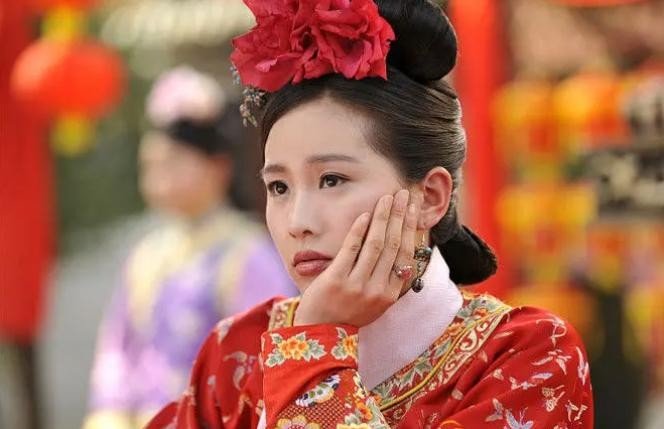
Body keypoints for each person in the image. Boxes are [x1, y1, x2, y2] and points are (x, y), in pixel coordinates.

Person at [146, 1, 594, 428]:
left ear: (430, 197)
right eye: (279, 187)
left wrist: (314, 343)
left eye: (332, 180)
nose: (298, 222)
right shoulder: (237, 353)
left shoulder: (528, 357)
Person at [83, 67, 296, 429]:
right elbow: (118, 349)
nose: (158, 177)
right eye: (150, 165)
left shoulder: (247, 254)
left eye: (172, 162)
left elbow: (262, 359)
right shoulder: (147, 254)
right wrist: (109, 413)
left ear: (218, 167)